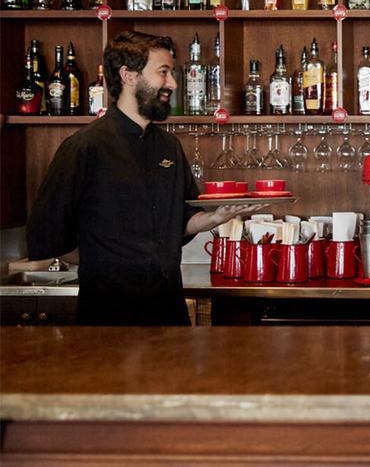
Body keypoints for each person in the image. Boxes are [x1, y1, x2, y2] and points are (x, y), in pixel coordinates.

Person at [27, 31, 263, 325]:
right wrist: (106, 261)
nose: (173, 84)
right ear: (128, 75)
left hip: (168, 311)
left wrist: (217, 217)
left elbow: (181, 221)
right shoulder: (84, 147)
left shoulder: (169, 147)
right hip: (108, 318)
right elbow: (44, 235)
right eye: (163, 72)